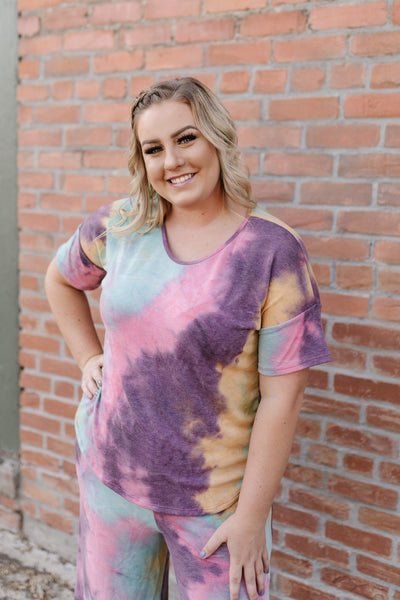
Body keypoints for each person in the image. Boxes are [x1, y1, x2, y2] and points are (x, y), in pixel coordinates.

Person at [45, 77, 331, 600]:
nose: (172, 161)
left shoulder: (272, 251)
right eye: (153, 148)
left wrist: (252, 517)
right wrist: (88, 357)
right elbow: (61, 279)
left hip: (214, 508)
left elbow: (283, 399)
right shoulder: (121, 225)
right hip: (110, 479)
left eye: (186, 138)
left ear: (216, 137)